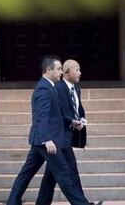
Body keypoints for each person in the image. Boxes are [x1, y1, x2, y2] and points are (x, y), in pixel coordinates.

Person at [6, 56, 101, 205]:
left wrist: (72, 122)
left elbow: (56, 114)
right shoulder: (44, 89)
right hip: (47, 141)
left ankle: (13, 202)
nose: (61, 72)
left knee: (27, 173)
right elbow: (41, 117)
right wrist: (47, 140)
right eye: (58, 69)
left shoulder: (52, 86)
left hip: (45, 139)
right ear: (48, 70)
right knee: (63, 173)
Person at [35, 59, 99, 205]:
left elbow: (77, 108)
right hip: (58, 137)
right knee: (68, 172)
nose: (80, 73)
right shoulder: (56, 88)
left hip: (67, 136)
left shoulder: (76, 88)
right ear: (67, 72)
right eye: (77, 70)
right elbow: (55, 114)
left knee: (52, 175)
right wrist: (49, 137)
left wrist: (80, 121)